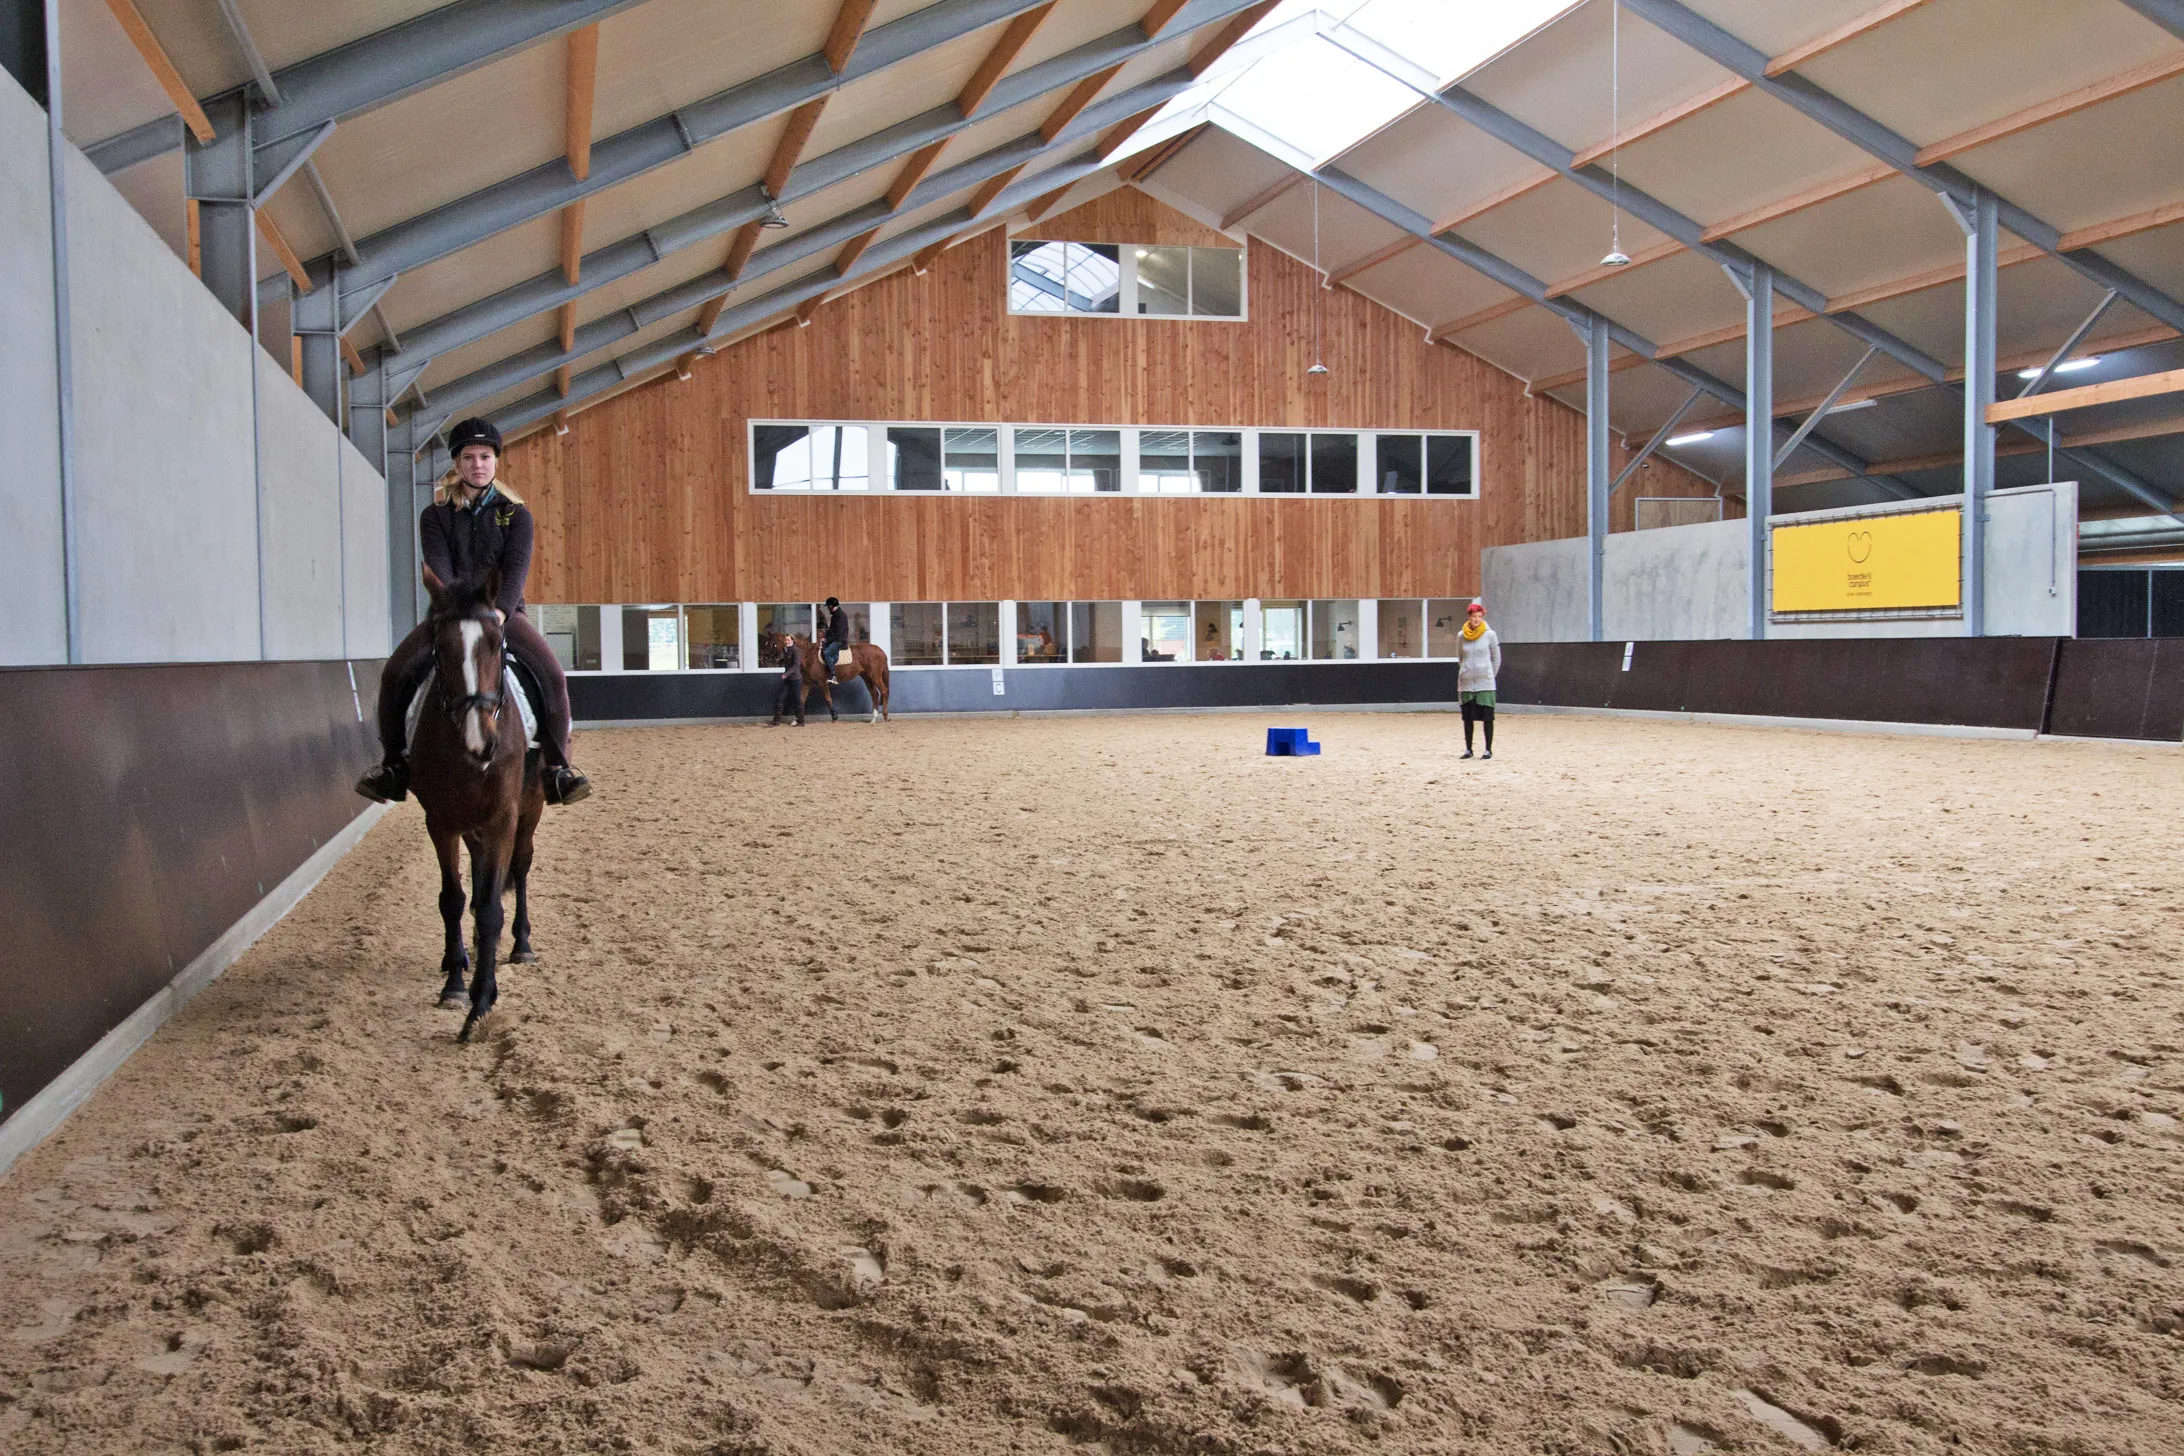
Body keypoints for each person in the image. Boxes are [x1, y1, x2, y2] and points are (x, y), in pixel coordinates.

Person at [356, 418, 591, 805]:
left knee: (552, 675)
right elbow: (439, 568)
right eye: (468, 457)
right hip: (449, 616)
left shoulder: (517, 516)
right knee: (395, 672)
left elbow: (516, 571)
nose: (477, 464)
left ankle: (556, 768)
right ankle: (394, 765)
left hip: (502, 616)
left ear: (495, 461)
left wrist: (497, 613)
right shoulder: (435, 516)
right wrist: (453, 610)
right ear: (457, 463)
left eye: (484, 456)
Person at [1456, 599, 1501, 759]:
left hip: (1485, 683)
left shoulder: (1490, 635)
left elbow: (1496, 658)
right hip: (1467, 684)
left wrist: (1489, 675)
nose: (1476, 619)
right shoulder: (1461, 636)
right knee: (1468, 718)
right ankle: (1469, 749)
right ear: (1469, 617)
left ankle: (1488, 749)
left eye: (1479, 616)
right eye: (1474, 616)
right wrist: (1465, 672)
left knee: (1487, 718)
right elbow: (1460, 657)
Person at [770, 632, 806, 726]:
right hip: (788, 678)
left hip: (795, 678)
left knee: (797, 699)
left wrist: (786, 674)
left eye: (788, 640)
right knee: (780, 697)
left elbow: (796, 666)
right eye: (786, 640)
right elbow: (787, 662)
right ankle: (776, 720)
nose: (787, 641)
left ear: (793, 641)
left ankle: (801, 720)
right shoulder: (785, 650)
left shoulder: (796, 651)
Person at [819, 597, 850, 678]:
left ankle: (833, 675)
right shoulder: (835, 615)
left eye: (828, 607)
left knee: (827, 653)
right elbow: (832, 630)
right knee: (823, 649)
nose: (828, 609)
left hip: (840, 640)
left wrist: (826, 639)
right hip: (835, 638)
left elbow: (838, 632)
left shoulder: (840, 616)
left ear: (830, 606)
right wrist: (825, 633)